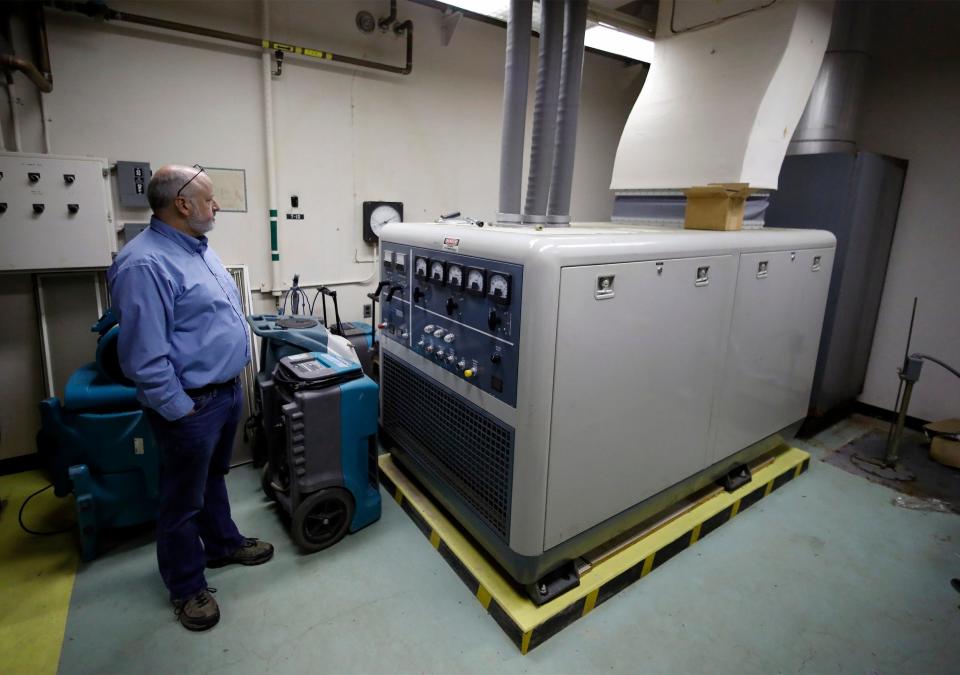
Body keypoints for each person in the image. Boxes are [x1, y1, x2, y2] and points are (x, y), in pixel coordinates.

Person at [108, 164, 274, 631]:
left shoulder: (196, 249)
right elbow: (144, 358)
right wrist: (181, 411)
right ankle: (186, 586)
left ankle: (222, 544)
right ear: (183, 205)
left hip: (222, 393)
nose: (216, 205)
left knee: (214, 478)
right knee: (181, 501)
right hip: (191, 404)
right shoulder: (145, 263)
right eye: (210, 198)